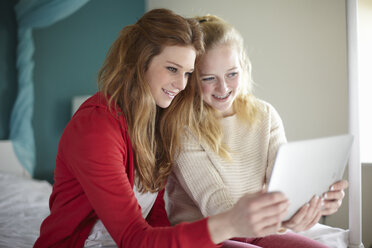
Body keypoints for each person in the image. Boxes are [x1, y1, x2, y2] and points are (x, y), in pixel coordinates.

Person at [34, 9, 291, 248]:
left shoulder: (159, 119)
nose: (181, 84)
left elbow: (155, 216)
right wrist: (230, 223)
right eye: (172, 69)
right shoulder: (96, 129)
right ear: (140, 62)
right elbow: (134, 237)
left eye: (188, 73)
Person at [166, 15, 349, 248]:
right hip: (210, 234)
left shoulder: (265, 115)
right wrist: (283, 217)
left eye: (232, 74)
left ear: (243, 67)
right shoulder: (184, 127)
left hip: (261, 229)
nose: (223, 88)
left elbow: (284, 184)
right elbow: (217, 205)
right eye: (209, 78)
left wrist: (313, 204)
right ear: (192, 79)